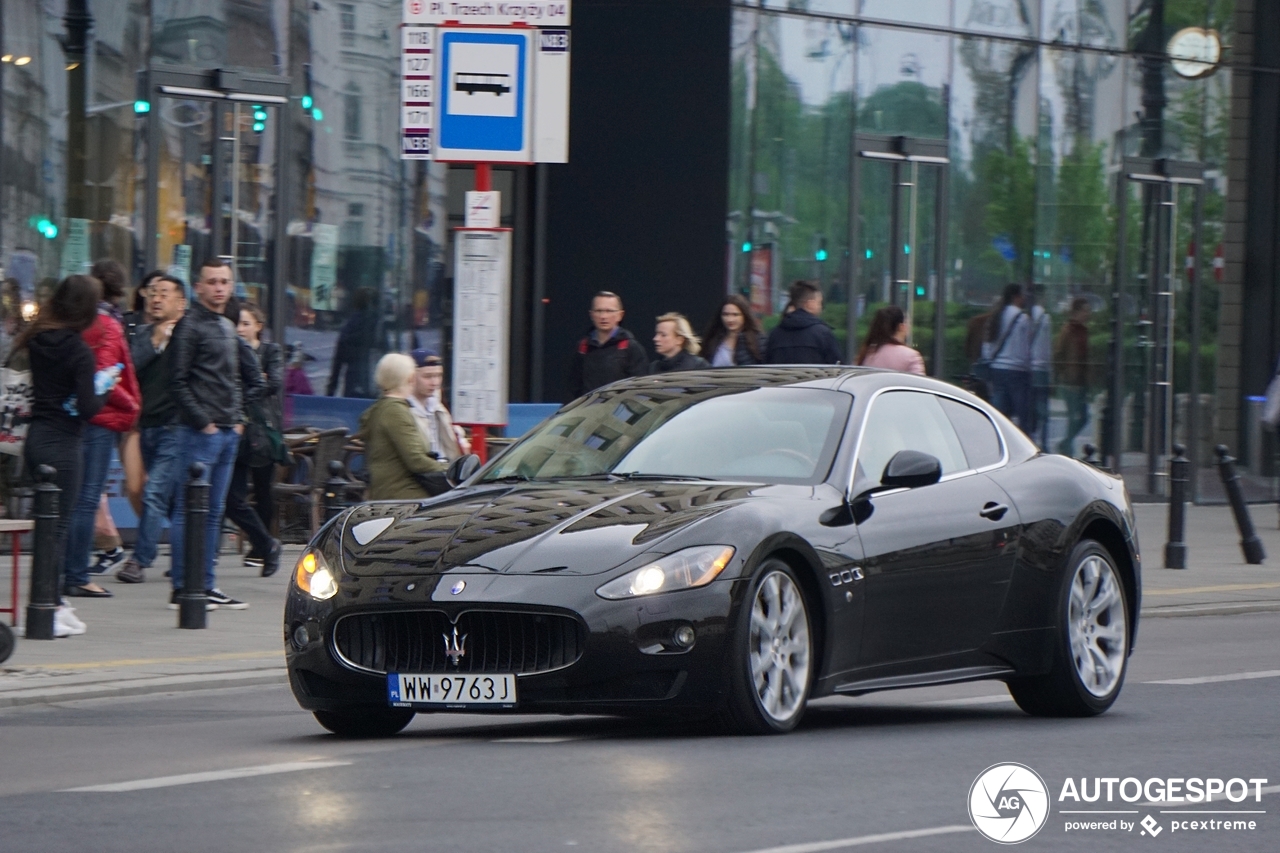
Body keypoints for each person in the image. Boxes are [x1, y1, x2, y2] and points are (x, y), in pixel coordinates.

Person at [13, 275, 119, 634]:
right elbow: (88, 408)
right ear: (88, 310)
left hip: (37, 437)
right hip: (64, 444)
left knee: (48, 528)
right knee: (57, 530)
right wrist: (106, 387)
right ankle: (48, 607)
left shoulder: (38, 338)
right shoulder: (78, 351)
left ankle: (54, 600)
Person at [166, 259, 264, 611]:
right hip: (201, 432)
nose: (220, 287)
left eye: (224, 281)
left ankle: (204, 583)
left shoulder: (225, 325)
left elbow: (237, 377)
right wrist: (202, 420)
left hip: (224, 430)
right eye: (212, 281)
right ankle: (184, 585)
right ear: (199, 287)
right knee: (189, 510)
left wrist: (236, 418)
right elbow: (175, 381)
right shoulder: (189, 326)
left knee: (212, 512)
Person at [61, 262, 140, 598]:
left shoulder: (80, 322)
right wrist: (131, 405)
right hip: (100, 417)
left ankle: (69, 569)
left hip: (79, 416)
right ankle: (77, 574)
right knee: (87, 497)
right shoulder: (107, 323)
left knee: (79, 497)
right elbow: (106, 375)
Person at [115, 276, 188, 585]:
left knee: (156, 491)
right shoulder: (142, 333)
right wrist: (157, 339)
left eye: (165, 294)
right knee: (159, 496)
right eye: (153, 293)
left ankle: (139, 560)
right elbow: (129, 368)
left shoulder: (191, 334)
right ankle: (190, 550)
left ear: (180, 303)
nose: (157, 299)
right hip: (145, 424)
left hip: (177, 426)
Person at [226, 302, 283, 576]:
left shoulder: (268, 351)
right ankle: (264, 544)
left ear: (258, 326)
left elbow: (271, 382)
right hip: (237, 429)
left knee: (262, 489)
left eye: (246, 323)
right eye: (238, 323)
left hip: (260, 428)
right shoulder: (233, 347)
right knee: (231, 497)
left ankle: (262, 546)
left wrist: (241, 395)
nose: (241, 328)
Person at [359, 353, 448, 500]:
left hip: (389, 490)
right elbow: (417, 462)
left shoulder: (382, 407)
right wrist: (451, 469)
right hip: (403, 494)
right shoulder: (396, 411)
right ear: (411, 378)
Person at [568, 291, 649, 399]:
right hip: (588, 412)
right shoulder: (583, 347)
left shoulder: (631, 348)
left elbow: (640, 389)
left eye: (609, 311)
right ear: (591, 314)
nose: (603, 316)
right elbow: (573, 387)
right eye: (599, 311)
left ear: (620, 315)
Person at [408, 349, 470, 462]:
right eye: (427, 376)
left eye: (438, 375)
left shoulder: (438, 406)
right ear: (411, 377)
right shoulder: (403, 409)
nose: (435, 382)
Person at [984, 283, 1032, 429]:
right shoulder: (1022, 318)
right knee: (1022, 412)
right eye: (1022, 295)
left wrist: (989, 360)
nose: (1024, 299)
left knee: (999, 410)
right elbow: (1026, 347)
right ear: (1016, 297)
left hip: (997, 367)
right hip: (1017, 369)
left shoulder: (997, 315)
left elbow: (987, 343)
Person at [765, 281, 842, 364]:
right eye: (819, 303)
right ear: (810, 304)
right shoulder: (823, 334)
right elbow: (837, 368)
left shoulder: (775, 334)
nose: (821, 308)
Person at [1054, 297, 1092, 456]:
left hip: (1081, 381)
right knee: (1074, 417)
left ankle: (1065, 443)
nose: (1087, 314)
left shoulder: (1084, 330)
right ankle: (1067, 449)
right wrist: (1064, 374)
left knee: (1083, 417)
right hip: (1070, 382)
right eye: (1085, 310)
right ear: (1076, 311)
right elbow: (1058, 354)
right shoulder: (1068, 330)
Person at [326, 288, 378, 398]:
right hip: (373, 386)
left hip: (352, 385)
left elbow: (337, 361)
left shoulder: (349, 326)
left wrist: (330, 391)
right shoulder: (377, 326)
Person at [856, 305, 925, 375]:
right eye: (908, 323)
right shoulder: (911, 356)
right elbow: (920, 384)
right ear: (901, 327)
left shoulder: (866, 353)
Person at [701, 294, 762, 367]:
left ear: (744, 315)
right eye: (725, 314)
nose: (730, 319)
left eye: (735, 315)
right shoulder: (713, 339)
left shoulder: (757, 341)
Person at [1027, 294, 1053, 449]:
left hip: (1027, 368)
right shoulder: (1045, 318)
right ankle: (1044, 443)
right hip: (1041, 368)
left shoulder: (1024, 316)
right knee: (1042, 409)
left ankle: (1030, 440)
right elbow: (1047, 347)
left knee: (1030, 408)